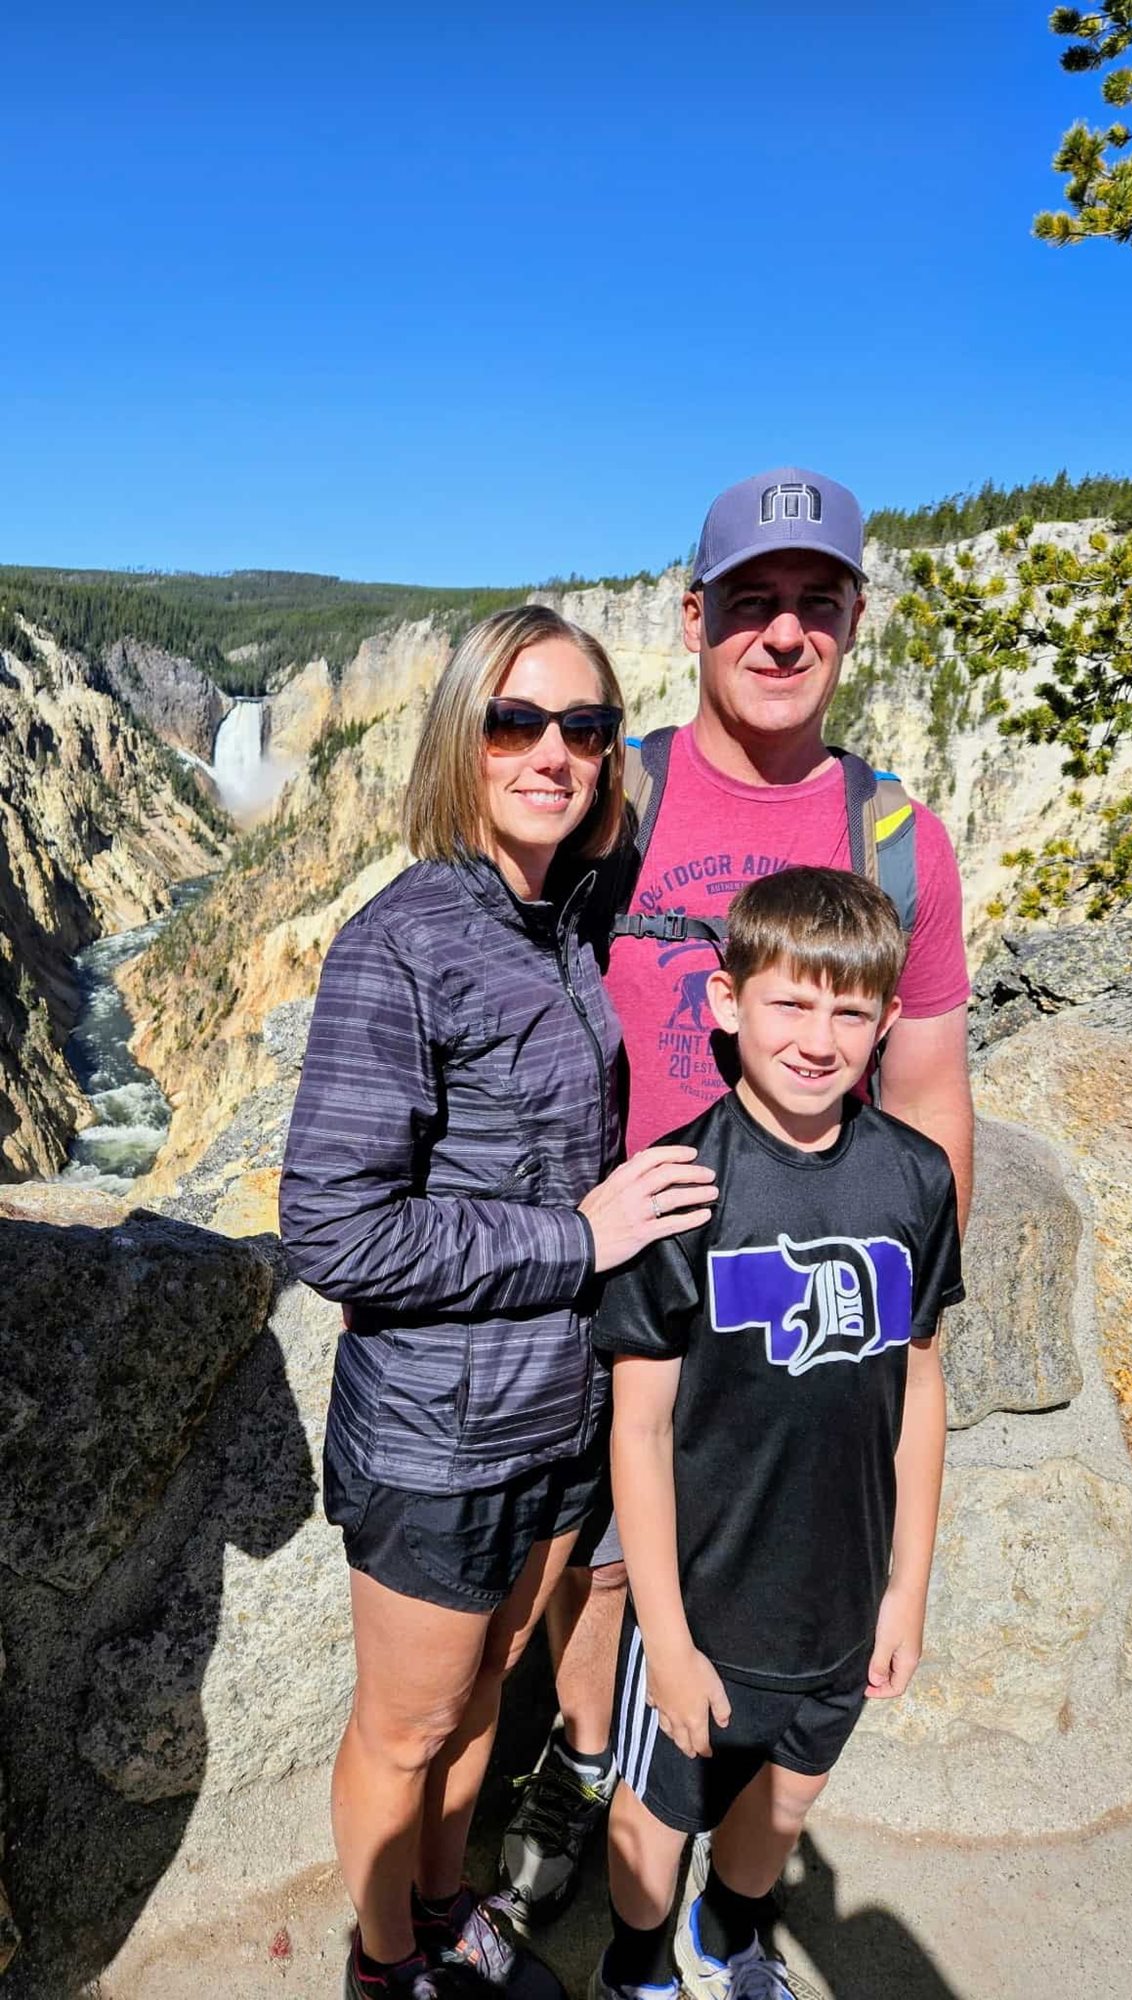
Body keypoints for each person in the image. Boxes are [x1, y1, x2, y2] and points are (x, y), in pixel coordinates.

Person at [499, 468, 973, 1923]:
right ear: (691, 615)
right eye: (751, 600)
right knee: (592, 1570)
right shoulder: (615, 793)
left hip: (785, 1288)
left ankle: (694, 1838)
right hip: (605, 1265)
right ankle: (592, 1770)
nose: (782, 632)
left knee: (722, 1564)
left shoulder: (896, 838)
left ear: (854, 619)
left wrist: (917, 1315)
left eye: (815, 602)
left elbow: (928, 1086)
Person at [279, 605, 718, 2000]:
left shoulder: (563, 919)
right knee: (406, 1727)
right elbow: (332, 1225)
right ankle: (384, 1963)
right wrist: (573, 1237)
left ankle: (443, 1904)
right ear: (457, 738)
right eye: (513, 722)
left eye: (584, 726)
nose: (551, 753)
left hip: (555, 1416)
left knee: (483, 1692)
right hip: (437, 1437)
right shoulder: (398, 944)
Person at [591, 864, 964, 2000]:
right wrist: (665, 1636)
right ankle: (637, 1966)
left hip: (842, 1594)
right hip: (705, 1594)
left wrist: (907, 1588)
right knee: (660, 1809)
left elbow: (920, 1385)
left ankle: (729, 1933)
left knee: (790, 1794)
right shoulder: (680, 1188)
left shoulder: (914, 1177)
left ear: (886, 1022)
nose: (817, 1038)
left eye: (849, 1011)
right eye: (790, 1003)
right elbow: (640, 1429)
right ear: (726, 1002)